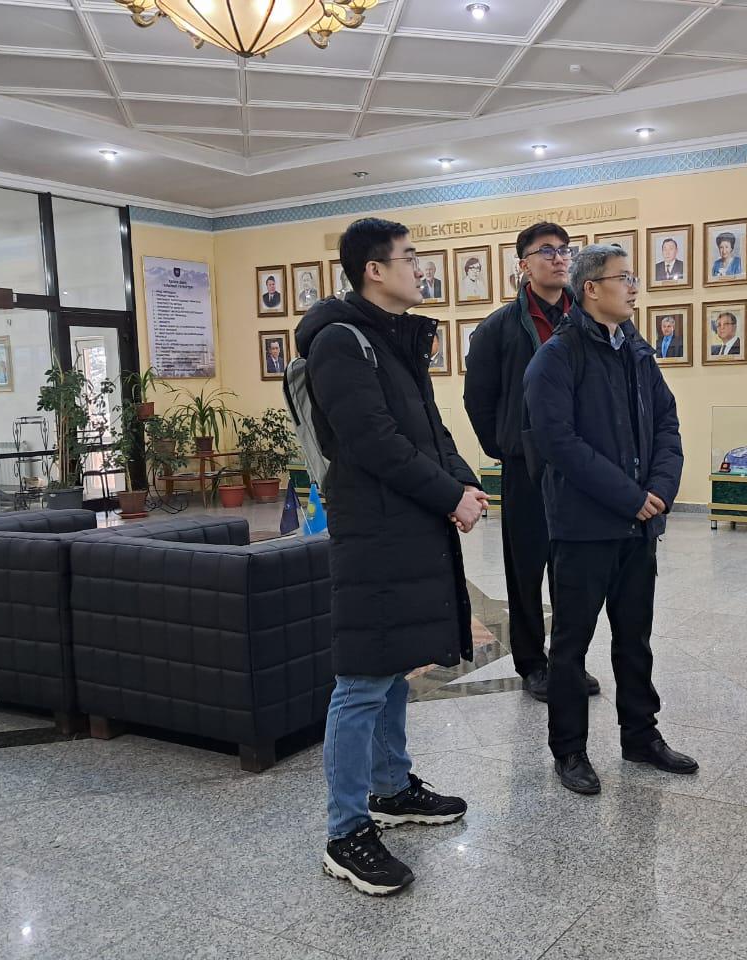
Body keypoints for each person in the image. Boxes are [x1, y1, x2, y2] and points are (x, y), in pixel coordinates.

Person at [295, 216, 488, 896]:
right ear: (374, 270)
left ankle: (390, 788)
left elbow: (428, 429)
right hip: (373, 531)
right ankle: (345, 831)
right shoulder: (340, 343)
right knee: (362, 681)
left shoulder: (392, 338)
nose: (420, 268)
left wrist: (462, 481)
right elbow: (373, 442)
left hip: (407, 523)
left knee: (396, 664)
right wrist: (448, 496)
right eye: (410, 258)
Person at [522, 244, 695, 795]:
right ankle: (569, 751)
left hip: (638, 527)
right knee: (571, 646)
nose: (634, 287)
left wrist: (660, 490)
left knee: (635, 639)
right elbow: (559, 443)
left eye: (634, 277)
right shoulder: (557, 356)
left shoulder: (637, 350)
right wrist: (629, 497)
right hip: (583, 529)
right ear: (591, 288)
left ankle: (640, 736)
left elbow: (667, 424)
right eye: (624, 278)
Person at [464, 222, 601, 702]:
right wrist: (507, 446)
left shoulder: (587, 318)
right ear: (523, 264)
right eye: (547, 251)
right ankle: (532, 664)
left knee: (575, 569)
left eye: (565, 250)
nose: (559, 258)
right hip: (526, 465)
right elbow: (478, 399)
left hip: (580, 465)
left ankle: (569, 661)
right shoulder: (499, 327)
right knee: (525, 570)